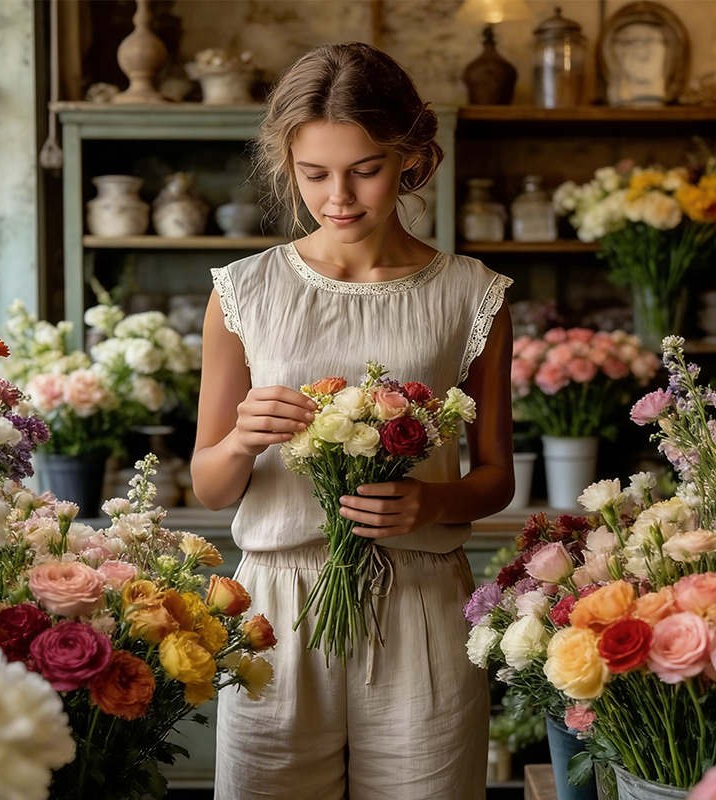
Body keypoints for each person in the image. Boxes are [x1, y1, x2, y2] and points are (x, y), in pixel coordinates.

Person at [190, 41, 515, 800]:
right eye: (314, 174)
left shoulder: (473, 293)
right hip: (275, 609)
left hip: (422, 606)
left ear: (411, 157)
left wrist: (432, 501)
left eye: (365, 169)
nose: (338, 196)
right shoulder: (244, 291)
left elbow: (497, 476)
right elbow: (210, 486)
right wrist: (241, 438)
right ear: (287, 163)